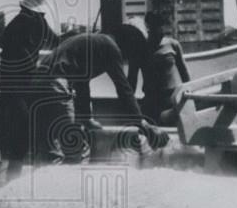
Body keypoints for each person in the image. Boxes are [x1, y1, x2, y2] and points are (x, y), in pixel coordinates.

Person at [30, 31, 170, 164]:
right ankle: (71, 183)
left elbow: (81, 84)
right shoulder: (111, 47)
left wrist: (86, 118)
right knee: (75, 147)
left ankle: (49, 181)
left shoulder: (93, 43)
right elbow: (123, 89)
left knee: (50, 148)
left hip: (37, 82)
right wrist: (142, 124)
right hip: (55, 83)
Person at [0, 0, 58, 175]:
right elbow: (54, 42)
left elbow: (54, 40)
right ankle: (13, 181)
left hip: (14, 89)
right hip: (18, 90)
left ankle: (11, 178)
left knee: (19, 140)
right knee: (22, 138)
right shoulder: (28, 23)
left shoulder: (24, 22)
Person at [110, 15, 191, 125]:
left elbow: (185, 73)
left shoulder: (173, 44)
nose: (160, 31)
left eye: (162, 28)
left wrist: (190, 94)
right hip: (151, 102)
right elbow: (131, 81)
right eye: (155, 28)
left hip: (172, 100)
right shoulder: (139, 49)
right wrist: (127, 105)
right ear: (148, 28)